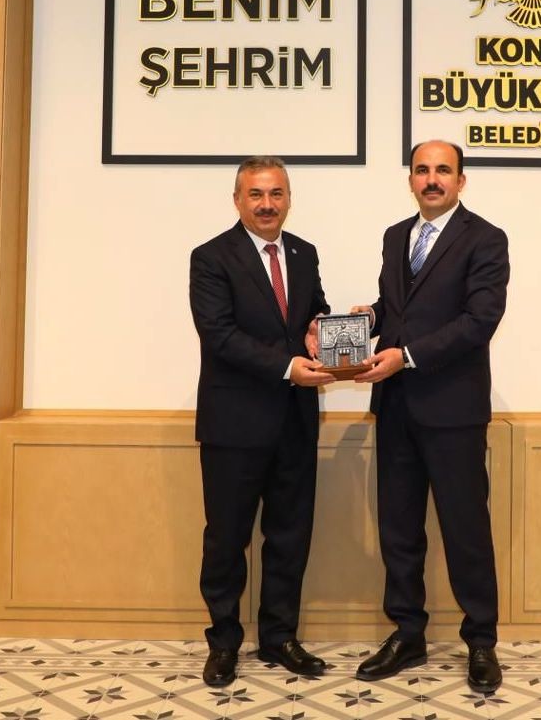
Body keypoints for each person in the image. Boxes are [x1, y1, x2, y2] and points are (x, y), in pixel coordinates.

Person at [352, 140, 509, 694]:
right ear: (411, 180)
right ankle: (408, 634)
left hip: (453, 411)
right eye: (422, 170)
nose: (432, 179)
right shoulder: (397, 236)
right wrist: (370, 318)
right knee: (399, 529)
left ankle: (481, 641)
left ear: (461, 181)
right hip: (396, 407)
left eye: (443, 170)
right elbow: (398, 308)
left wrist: (408, 355)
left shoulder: (486, 239)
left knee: (466, 531)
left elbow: (480, 320)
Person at [189, 155, 335, 688]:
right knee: (226, 541)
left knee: (290, 536)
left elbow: (313, 311)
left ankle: (279, 637)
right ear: (237, 200)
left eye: (276, 193)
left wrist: (322, 330)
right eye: (256, 194)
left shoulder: (304, 252)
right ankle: (224, 642)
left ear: (288, 199)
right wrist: (288, 366)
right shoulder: (210, 257)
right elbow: (219, 334)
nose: (267, 204)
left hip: (295, 422)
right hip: (234, 425)